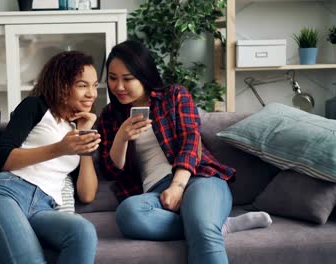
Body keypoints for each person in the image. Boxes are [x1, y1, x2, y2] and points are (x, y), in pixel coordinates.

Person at [97, 40, 271, 264]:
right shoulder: (109, 116)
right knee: (128, 213)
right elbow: (112, 171)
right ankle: (219, 224)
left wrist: (177, 187)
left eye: (127, 79)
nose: (118, 86)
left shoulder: (174, 96)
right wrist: (121, 136)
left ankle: (206, 224)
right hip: (154, 194)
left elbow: (191, 140)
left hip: (197, 178)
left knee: (203, 230)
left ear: (144, 74)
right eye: (112, 78)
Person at [0, 50, 101, 264]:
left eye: (95, 85)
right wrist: (61, 148)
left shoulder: (74, 128)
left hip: (43, 207)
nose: (92, 94)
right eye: (82, 85)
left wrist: (84, 135)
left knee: (83, 230)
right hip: (6, 194)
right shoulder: (35, 106)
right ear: (62, 85)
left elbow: (87, 195)